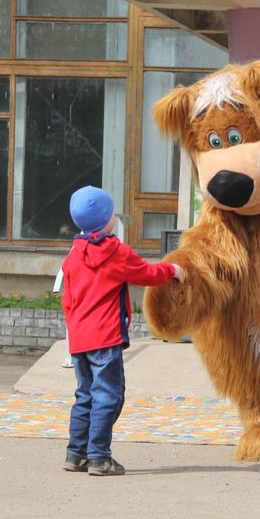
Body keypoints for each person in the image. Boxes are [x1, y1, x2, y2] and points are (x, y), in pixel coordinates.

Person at [62, 185, 185, 476]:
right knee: (109, 397)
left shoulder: (73, 256)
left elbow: (67, 301)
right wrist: (173, 270)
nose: (114, 216)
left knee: (85, 396)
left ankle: (76, 454)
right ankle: (99, 457)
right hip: (105, 338)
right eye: (111, 212)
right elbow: (147, 273)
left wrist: (75, 331)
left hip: (79, 338)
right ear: (106, 220)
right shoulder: (116, 252)